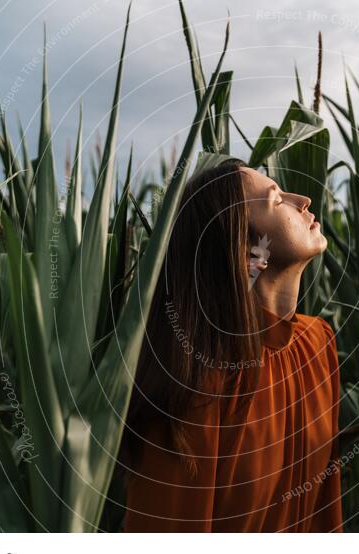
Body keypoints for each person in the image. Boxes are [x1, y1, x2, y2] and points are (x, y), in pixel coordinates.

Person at [119, 160, 343, 532]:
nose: (302, 200)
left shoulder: (318, 343)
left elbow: (326, 514)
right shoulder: (196, 383)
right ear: (245, 249)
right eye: (275, 199)